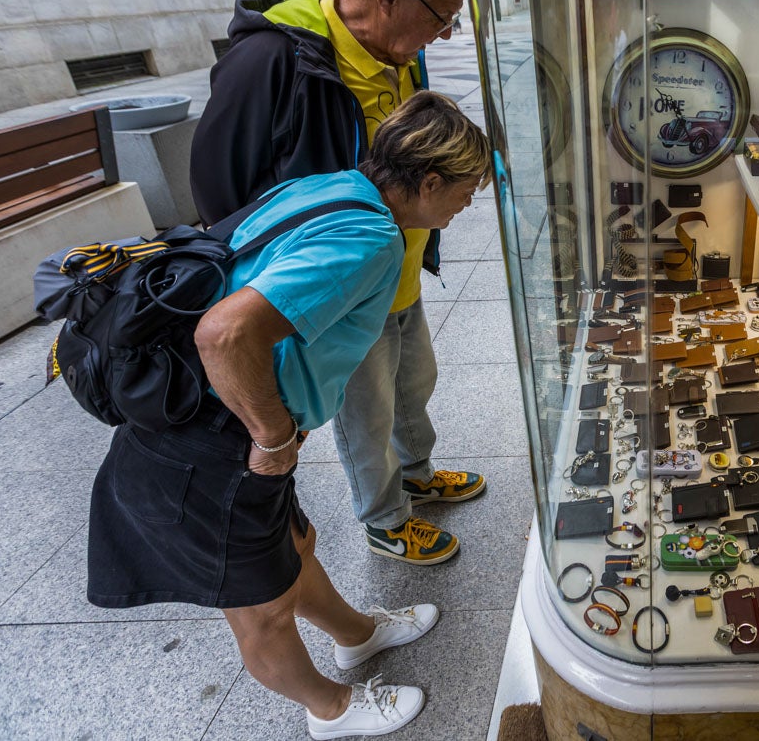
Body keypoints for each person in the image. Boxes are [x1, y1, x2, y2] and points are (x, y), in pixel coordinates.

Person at [90, 93, 491, 738]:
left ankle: (357, 635)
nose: (468, 205)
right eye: (467, 190)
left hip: (220, 410)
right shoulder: (372, 237)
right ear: (430, 180)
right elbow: (224, 334)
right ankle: (330, 709)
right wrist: (272, 437)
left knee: (293, 545)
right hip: (213, 435)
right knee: (261, 608)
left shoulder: (340, 186)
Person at [190, 0, 485, 567]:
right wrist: (292, 276)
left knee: (413, 384)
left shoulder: (398, 45)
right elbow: (222, 192)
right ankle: (385, 517)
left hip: (395, 267)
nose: (444, 34)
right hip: (338, 281)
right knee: (365, 413)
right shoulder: (273, 60)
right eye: (442, 19)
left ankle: (418, 471)